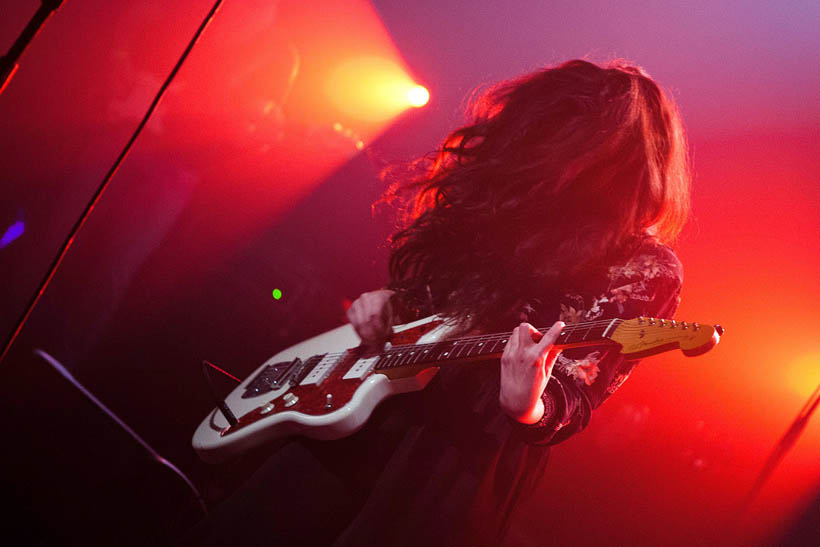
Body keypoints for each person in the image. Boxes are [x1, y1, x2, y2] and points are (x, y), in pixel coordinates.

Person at [187, 58, 689, 547]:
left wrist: (531, 404)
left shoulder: (646, 265)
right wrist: (387, 304)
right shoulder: (517, 209)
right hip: (373, 402)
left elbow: (580, 390)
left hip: (461, 451)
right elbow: (431, 298)